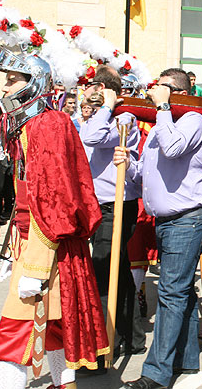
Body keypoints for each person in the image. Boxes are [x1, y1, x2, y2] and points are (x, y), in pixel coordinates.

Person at [0, 47, 108, 389]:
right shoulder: (34, 124)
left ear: (33, 83)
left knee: (13, 338)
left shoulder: (48, 123)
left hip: (46, 246)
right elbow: (28, 195)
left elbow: (54, 200)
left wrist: (36, 267)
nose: (6, 88)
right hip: (33, 242)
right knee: (56, 331)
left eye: (13, 80)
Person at [116, 68, 202, 389]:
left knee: (171, 293)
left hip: (187, 219)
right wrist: (127, 163)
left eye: (161, 89)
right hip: (166, 220)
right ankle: (186, 361)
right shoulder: (161, 123)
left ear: (175, 91)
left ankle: (155, 374)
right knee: (181, 293)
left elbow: (173, 148)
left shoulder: (191, 119)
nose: (153, 93)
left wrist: (162, 109)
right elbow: (144, 173)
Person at [79, 65, 145, 373]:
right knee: (115, 268)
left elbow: (91, 138)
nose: (88, 96)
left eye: (95, 90)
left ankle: (102, 347)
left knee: (104, 271)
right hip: (100, 203)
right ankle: (131, 334)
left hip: (117, 204)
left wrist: (107, 106)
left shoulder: (123, 118)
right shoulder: (100, 117)